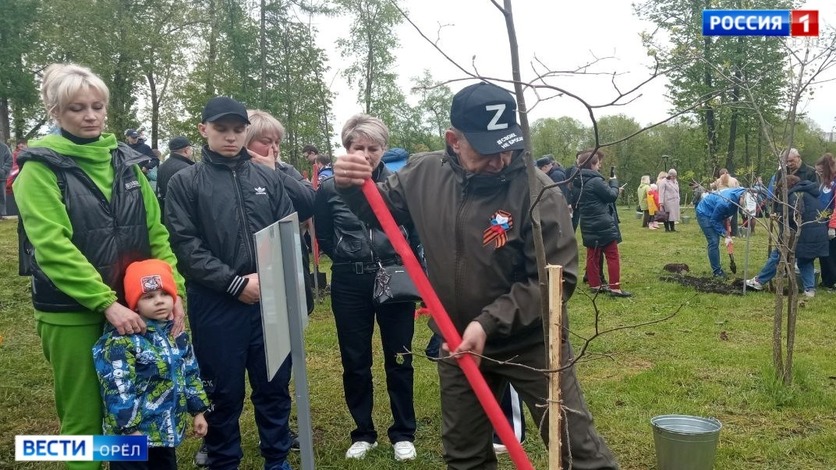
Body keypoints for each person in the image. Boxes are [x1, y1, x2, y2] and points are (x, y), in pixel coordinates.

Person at [332, 82, 618, 469]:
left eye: (508, 145)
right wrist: (352, 186)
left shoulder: (540, 194)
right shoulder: (423, 174)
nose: (500, 159)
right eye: (486, 149)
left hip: (531, 342)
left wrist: (487, 323)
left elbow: (554, 281)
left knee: (577, 449)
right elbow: (379, 209)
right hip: (456, 340)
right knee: (464, 456)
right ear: (453, 140)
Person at [14, 63, 186, 470]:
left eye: (97, 106)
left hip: (135, 309)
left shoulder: (127, 163)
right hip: (72, 313)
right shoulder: (39, 168)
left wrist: (173, 291)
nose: (90, 116)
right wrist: (107, 303)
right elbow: (52, 248)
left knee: (139, 411)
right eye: (77, 108)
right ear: (56, 112)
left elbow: (156, 233)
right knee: (85, 420)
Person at [164, 96, 299, 470]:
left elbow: (286, 231)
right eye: (221, 130)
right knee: (222, 390)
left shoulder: (267, 178)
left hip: (267, 300)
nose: (230, 138)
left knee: (273, 384)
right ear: (203, 129)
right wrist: (234, 283)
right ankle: (224, 458)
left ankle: (276, 458)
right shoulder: (184, 182)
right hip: (217, 302)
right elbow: (186, 245)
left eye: (238, 130)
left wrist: (271, 280)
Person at [313, 114, 418, 462]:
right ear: (346, 149)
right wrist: (347, 256)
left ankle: (403, 432)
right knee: (355, 358)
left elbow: (415, 234)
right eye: (359, 147)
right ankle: (363, 432)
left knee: (399, 356)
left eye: (374, 147)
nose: (367, 154)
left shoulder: (401, 184)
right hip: (350, 281)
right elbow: (325, 234)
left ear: (384, 149)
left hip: (395, 278)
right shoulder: (329, 189)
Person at [93, 259, 209, 470]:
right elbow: (117, 387)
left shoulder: (176, 333)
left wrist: (198, 410)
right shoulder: (121, 341)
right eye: (148, 296)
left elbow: (190, 372)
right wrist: (129, 429)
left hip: (165, 430)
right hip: (131, 437)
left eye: (165, 294)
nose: (159, 301)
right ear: (134, 303)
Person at [745, 175, 829, 297]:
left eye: (780, 189)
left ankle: (759, 281)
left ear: (787, 186)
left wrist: (780, 217)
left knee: (778, 256)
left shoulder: (795, 195)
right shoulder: (809, 193)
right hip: (816, 233)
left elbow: (796, 213)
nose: (779, 192)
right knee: (805, 261)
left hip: (802, 234)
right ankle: (810, 290)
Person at [575, 149, 632, 297]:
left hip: (587, 222)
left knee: (592, 255)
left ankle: (595, 285)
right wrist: (614, 182)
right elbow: (611, 196)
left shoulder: (577, 181)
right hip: (602, 222)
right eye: (598, 163)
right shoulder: (595, 181)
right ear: (592, 164)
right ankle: (615, 287)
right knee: (612, 255)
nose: (599, 166)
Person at [695, 187, 747, 277]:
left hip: (717, 211)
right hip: (705, 213)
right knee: (714, 241)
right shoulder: (724, 203)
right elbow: (714, 220)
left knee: (719, 237)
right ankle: (717, 272)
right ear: (741, 198)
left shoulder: (742, 192)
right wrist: (725, 234)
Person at [156, 136, 194, 218]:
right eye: (191, 150)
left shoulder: (162, 167)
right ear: (186, 150)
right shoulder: (188, 169)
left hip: (165, 212)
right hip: (184, 215)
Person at [814, 154, 836, 289]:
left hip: (832, 223)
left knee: (832, 254)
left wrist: (833, 226)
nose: (819, 174)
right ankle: (826, 279)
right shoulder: (823, 183)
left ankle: (832, 281)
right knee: (824, 253)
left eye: (821, 171)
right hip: (822, 222)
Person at [0, 141, 11, 218]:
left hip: (1, 177)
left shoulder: (4, 147)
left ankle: (2, 214)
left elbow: (10, 160)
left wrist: (3, 171)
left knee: (1, 196)